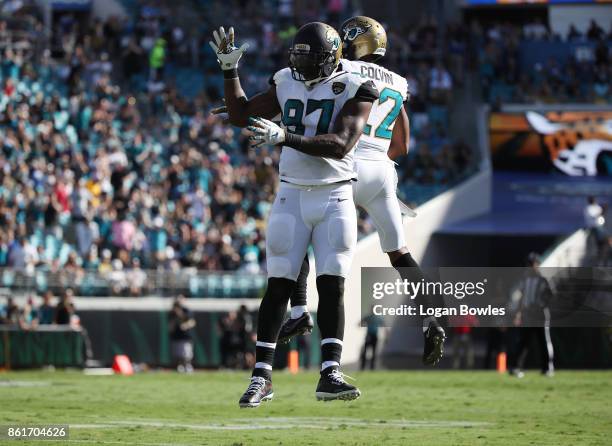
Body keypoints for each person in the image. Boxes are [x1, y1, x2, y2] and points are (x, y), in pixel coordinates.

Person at [210, 22, 379, 407]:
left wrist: (286, 136)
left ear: (332, 57)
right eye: (297, 57)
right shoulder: (286, 79)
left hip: (335, 193)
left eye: (310, 59)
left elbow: (340, 144)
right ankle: (261, 378)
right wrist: (230, 70)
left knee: (332, 283)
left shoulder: (356, 85)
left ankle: (329, 373)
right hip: (291, 194)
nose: (301, 66)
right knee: (279, 284)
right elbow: (240, 114)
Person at [278, 17, 446, 366]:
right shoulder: (399, 82)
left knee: (300, 223)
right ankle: (433, 319)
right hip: (383, 170)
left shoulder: (345, 70)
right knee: (400, 255)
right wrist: (381, 169)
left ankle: (298, 309)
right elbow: (402, 144)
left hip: (346, 164)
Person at [508, 253, 555, 377]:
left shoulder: (543, 278)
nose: (530, 267)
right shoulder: (524, 279)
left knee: (544, 341)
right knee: (523, 342)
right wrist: (518, 314)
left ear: (538, 264)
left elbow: (550, 296)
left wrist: (540, 305)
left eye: (532, 264)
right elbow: (521, 298)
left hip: (540, 314)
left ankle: (547, 368)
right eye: (528, 264)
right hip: (528, 313)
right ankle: (516, 367)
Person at [168, 295, 196, 373]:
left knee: (187, 354)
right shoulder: (172, 313)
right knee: (178, 354)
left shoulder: (186, 310)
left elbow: (192, 322)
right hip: (176, 336)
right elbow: (170, 326)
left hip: (186, 336)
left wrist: (185, 325)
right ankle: (180, 367)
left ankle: (188, 366)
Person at [360, 306, 383, 370]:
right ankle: (363, 367)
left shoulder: (378, 317)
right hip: (369, 335)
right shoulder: (368, 317)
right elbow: (360, 322)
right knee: (365, 351)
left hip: (374, 336)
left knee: (374, 352)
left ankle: (372, 368)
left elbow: (383, 324)